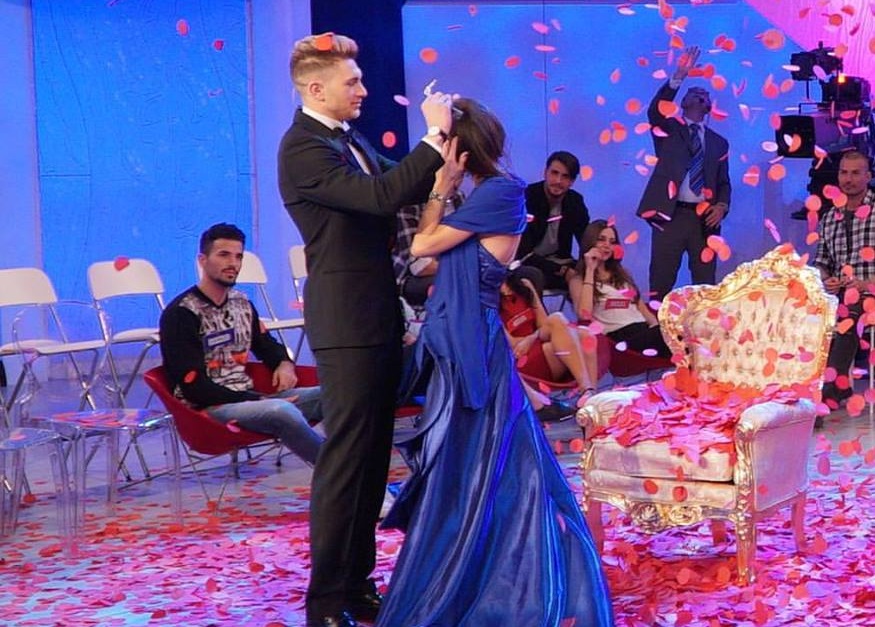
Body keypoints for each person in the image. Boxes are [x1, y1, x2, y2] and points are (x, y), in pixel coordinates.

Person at [376, 97, 614, 626]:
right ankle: (464, 567)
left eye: (444, 143)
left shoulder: (502, 192)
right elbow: (424, 260)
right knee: (467, 460)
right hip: (455, 335)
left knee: (485, 460)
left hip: (473, 341)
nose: (439, 153)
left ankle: (489, 577)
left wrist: (441, 187)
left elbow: (423, 243)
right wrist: (447, 191)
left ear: (462, 148)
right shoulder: (484, 195)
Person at [276, 32, 452, 627]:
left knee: (373, 458)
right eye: (351, 82)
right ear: (315, 88)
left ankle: (357, 586)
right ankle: (325, 602)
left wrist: (448, 163)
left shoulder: (347, 140)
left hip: (377, 312)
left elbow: (402, 184)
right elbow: (380, 197)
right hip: (345, 319)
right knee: (346, 462)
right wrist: (432, 137)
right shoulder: (303, 148)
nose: (363, 89)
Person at [159, 223, 323, 464]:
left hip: (253, 400)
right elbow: (195, 389)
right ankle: (340, 472)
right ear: (202, 260)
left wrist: (284, 364)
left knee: (337, 396)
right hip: (209, 409)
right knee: (282, 411)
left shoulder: (242, 303)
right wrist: (259, 401)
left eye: (238, 257)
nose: (233, 263)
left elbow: (267, 346)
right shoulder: (181, 313)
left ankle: (350, 461)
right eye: (223, 255)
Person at [637, 45, 731, 302]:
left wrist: (721, 206)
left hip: (704, 219)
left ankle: (702, 324)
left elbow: (723, 183)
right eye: (693, 92)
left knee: (705, 284)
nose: (700, 94)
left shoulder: (719, 143)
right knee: (661, 280)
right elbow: (655, 110)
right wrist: (679, 76)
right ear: (683, 102)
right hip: (671, 214)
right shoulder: (669, 130)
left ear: (709, 107)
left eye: (704, 93)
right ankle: (657, 323)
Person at [814, 149, 875, 408]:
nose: (848, 179)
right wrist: (826, 279)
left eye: (855, 173)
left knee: (848, 312)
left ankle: (828, 394)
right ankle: (792, 395)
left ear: (868, 176)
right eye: (843, 173)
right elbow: (821, 263)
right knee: (803, 313)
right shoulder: (830, 217)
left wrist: (866, 284)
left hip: (869, 294)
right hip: (838, 294)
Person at [569, 219, 671, 358]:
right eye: (601, 239)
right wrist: (590, 270)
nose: (607, 245)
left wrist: (657, 327)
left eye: (612, 242)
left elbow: (644, 311)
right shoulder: (578, 280)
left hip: (645, 330)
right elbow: (584, 315)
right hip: (619, 337)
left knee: (683, 330)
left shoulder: (623, 274)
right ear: (590, 242)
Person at [499, 271, 599, 407]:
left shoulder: (524, 285)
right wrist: (531, 339)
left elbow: (544, 324)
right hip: (521, 357)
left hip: (537, 342)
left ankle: (590, 399)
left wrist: (531, 338)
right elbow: (510, 343)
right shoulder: (486, 299)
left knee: (585, 334)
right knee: (557, 322)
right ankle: (587, 389)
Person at [517, 150, 590, 290]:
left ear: (572, 181)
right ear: (545, 173)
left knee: (593, 276)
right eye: (554, 173)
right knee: (535, 275)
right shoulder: (527, 197)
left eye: (565, 176)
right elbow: (522, 251)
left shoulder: (575, 201)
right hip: (528, 263)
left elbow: (586, 239)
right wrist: (562, 270)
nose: (558, 181)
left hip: (561, 261)